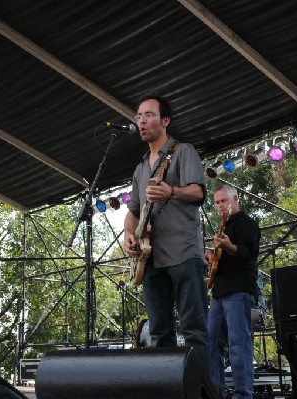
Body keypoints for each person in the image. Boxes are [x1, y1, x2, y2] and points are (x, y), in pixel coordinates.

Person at [123, 95, 209, 369]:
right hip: (151, 258)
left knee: (194, 328)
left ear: (165, 120)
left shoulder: (183, 151)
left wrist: (171, 191)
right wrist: (129, 235)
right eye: (139, 116)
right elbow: (133, 211)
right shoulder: (139, 169)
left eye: (148, 115)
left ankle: (201, 390)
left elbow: (198, 191)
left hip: (183, 251)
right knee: (159, 331)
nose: (141, 121)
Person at [204, 184, 261, 399]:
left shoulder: (247, 223)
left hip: (239, 289)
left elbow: (249, 253)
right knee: (211, 344)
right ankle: (215, 392)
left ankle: (243, 395)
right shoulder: (223, 226)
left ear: (235, 198)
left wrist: (229, 247)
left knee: (238, 343)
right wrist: (211, 255)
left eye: (223, 201)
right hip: (220, 292)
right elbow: (221, 259)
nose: (220, 205)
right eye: (217, 202)